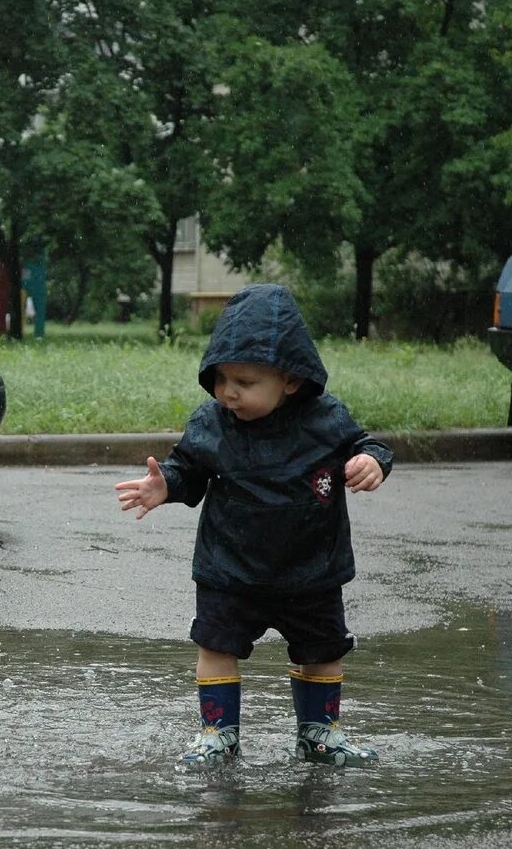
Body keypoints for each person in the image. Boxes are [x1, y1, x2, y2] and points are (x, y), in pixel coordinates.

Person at [114, 284, 391, 767]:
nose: (228, 392)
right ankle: (218, 735)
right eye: (221, 378)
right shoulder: (213, 422)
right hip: (231, 568)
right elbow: (186, 468)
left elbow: (368, 445)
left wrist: (371, 461)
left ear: (290, 379)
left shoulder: (326, 420)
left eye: (244, 381)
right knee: (216, 643)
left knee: (323, 649)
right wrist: (166, 486)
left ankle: (319, 734)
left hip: (312, 568)